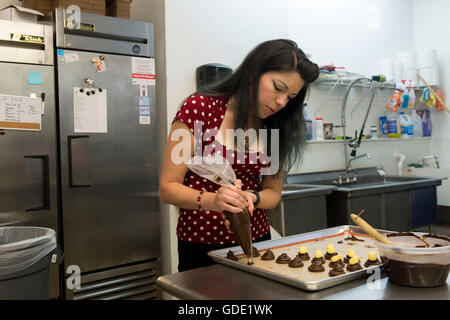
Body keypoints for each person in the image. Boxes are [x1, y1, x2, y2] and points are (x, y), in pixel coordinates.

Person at [159, 39, 319, 272]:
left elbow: (273, 193)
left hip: (257, 245)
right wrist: (213, 201)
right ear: (253, 73)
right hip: (201, 247)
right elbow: (168, 187)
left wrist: (251, 197)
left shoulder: (274, 127)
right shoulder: (199, 109)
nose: (281, 102)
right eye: (278, 87)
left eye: (291, 97)